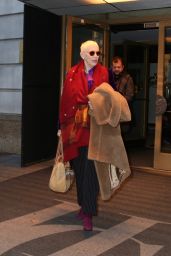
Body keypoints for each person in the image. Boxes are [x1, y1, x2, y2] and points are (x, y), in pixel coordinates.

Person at [59, 40, 109, 231]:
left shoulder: (104, 73)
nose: (96, 56)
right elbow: (65, 100)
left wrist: (97, 104)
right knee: (79, 168)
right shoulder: (71, 73)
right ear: (82, 55)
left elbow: (110, 98)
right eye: (92, 53)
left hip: (95, 128)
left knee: (90, 170)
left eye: (98, 53)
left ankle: (88, 213)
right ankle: (83, 204)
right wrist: (60, 127)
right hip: (74, 129)